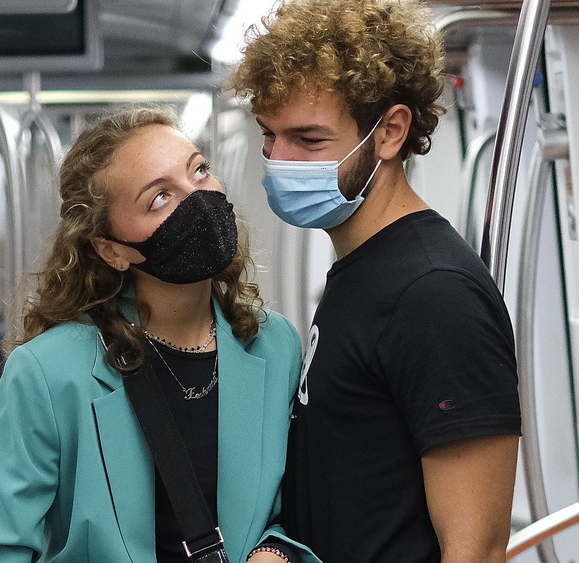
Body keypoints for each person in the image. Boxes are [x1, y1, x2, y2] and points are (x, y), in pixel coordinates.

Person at [0, 105, 320, 563]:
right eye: (160, 198)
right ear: (112, 250)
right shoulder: (48, 373)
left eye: (199, 171)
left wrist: (278, 551)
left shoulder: (275, 344)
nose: (198, 200)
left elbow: (302, 508)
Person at [231, 1, 521, 562]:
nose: (281, 160)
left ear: (389, 133)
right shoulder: (359, 271)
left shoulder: (433, 294)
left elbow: (476, 549)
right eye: (270, 136)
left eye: (309, 140)